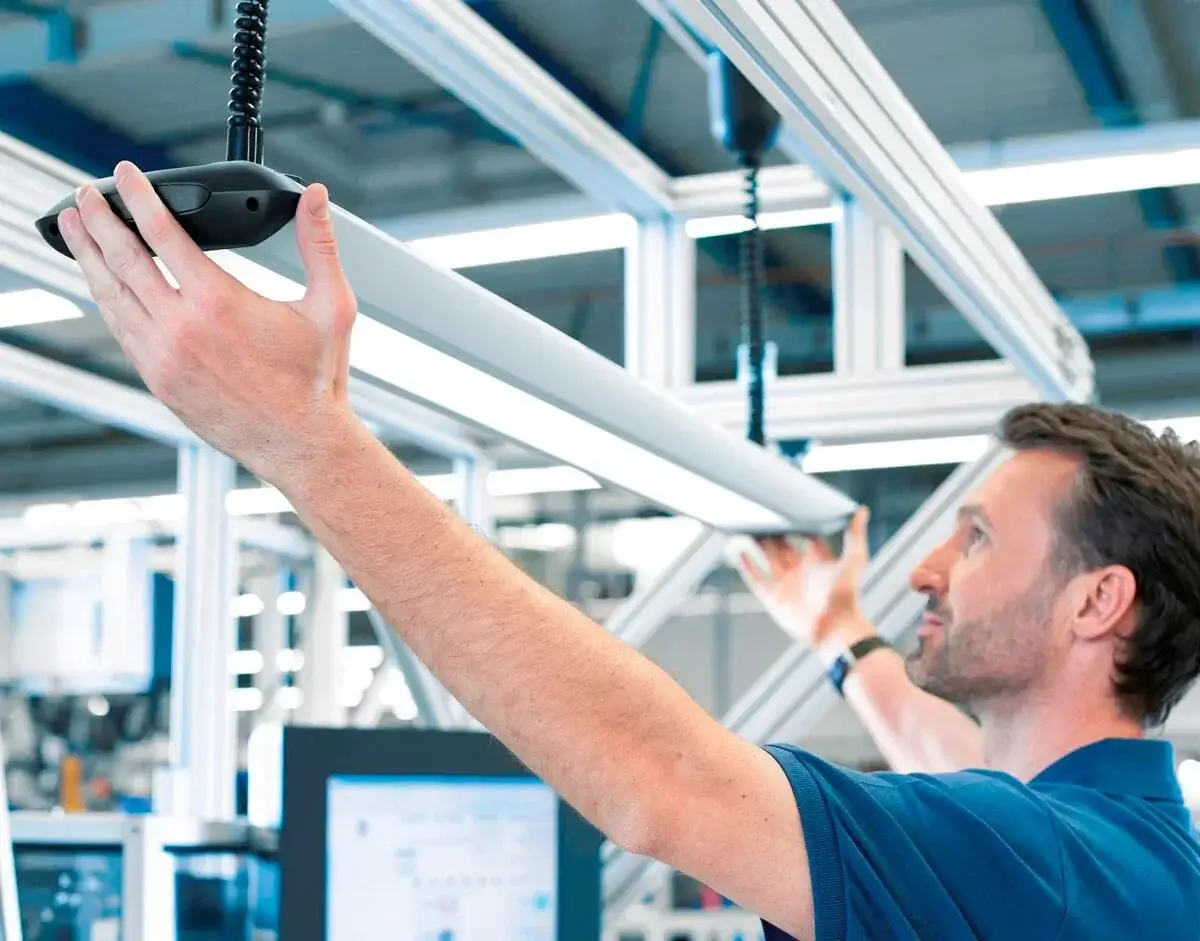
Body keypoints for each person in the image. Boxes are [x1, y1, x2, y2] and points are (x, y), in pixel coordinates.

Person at [56, 164, 1200, 939]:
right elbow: (952, 753)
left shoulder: (1045, 861)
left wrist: (305, 444)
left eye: (980, 536)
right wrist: (839, 634)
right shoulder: (1117, 853)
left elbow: (669, 785)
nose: (924, 569)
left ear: (1098, 601)